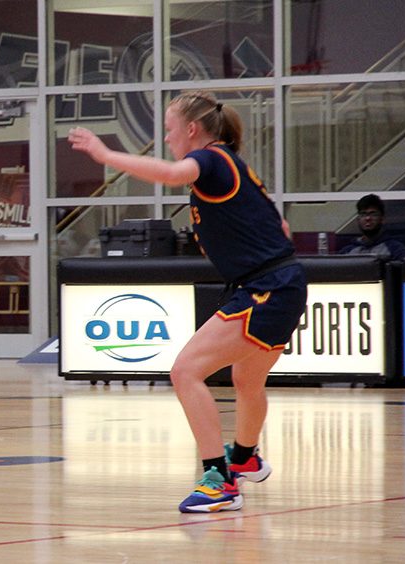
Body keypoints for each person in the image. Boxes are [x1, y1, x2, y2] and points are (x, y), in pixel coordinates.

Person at [69, 91, 308, 513]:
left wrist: (106, 154)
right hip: (280, 281)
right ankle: (245, 457)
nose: (167, 138)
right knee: (247, 382)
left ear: (192, 130)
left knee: (185, 371)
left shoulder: (212, 160)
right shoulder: (231, 164)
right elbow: (281, 224)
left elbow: (171, 173)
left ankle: (219, 481)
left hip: (266, 287)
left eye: (169, 129)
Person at [337, 194, 405, 260]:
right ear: (358, 219)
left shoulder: (396, 250)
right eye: (363, 214)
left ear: (382, 219)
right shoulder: (347, 252)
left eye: (373, 214)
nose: (367, 218)